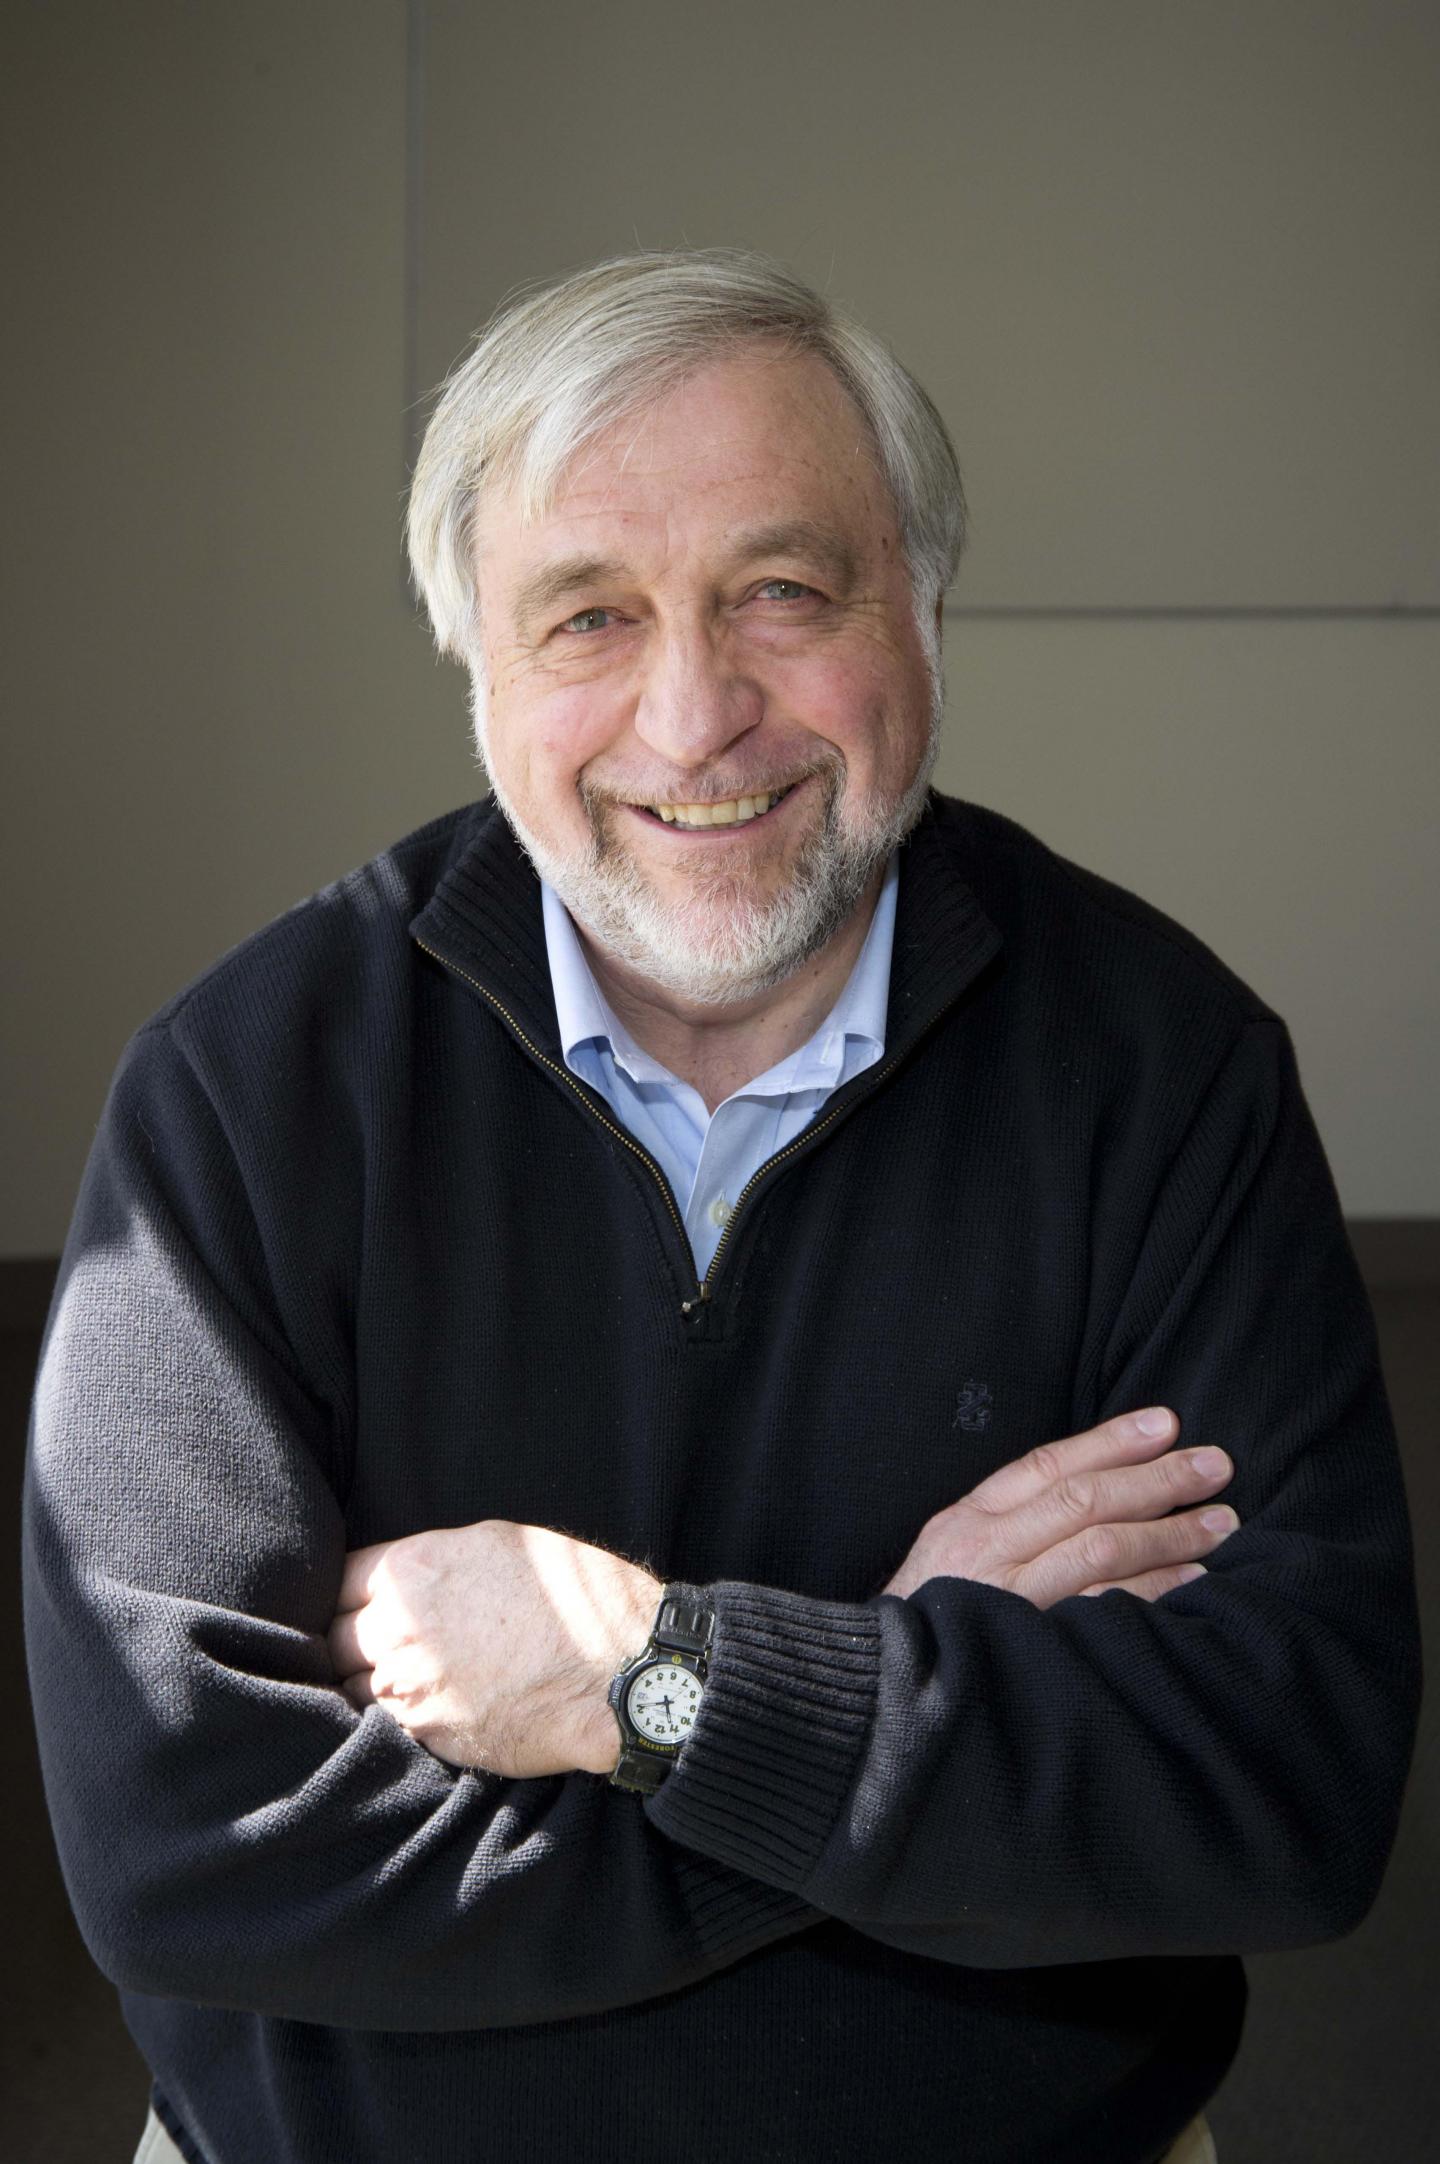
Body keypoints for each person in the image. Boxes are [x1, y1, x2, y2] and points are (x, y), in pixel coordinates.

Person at [23, 249, 1420, 2164]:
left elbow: (1281, 1791)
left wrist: (643, 1684)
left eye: (781, 591)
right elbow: (190, 1855)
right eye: (588, 617)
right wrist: (901, 1702)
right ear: (478, 667)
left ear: (924, 613)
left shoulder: (1162, 1072)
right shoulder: (244, 1092)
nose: (694, 717)